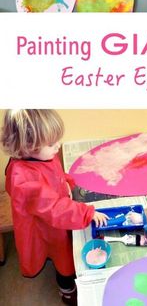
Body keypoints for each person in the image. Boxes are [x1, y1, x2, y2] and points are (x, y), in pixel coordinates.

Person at [0, 109, 108, 305]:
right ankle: (67, 291)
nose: (57, 146)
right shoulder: (22, 178)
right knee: (64, 261)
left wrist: (67, 181)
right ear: (27, 147)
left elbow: (54, 173)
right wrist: (87, 212)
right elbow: (54, 208)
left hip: (57, 217)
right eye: (51, 143)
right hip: (47, 229)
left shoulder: (43, 155)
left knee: (65, 252)